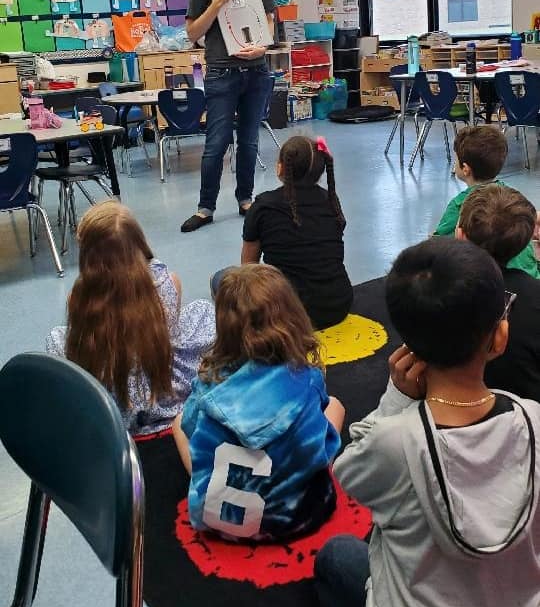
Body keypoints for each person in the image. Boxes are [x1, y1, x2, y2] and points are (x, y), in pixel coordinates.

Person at [315, 238, 540, 607]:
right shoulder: (533, 420)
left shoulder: (395, 443)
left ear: (407, 345)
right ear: (499, 337)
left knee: (336, 556)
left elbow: (349, 473)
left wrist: (398, 399)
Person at [172, 264, 345, 542]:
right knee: (334, 405)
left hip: (224, 521)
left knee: (180, 421)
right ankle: (303, 475)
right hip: (302, 515)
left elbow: (192, 428)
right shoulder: (308, 378)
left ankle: (214, 484)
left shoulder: (208, 386)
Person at [46, 200, 215, 437]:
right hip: (160, 382)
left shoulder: (78, 296)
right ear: (138, 241)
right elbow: (169, 332)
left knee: (56, 336)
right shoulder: (167, 281)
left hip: (110, 392)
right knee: (203, 310)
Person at [181, 0, 275, 232]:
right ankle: (205, 207)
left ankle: (245, 199)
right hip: (222, 72)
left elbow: (270, 19)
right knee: (217, 143)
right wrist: (216, 3)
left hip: (256, 71)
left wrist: (263, 48)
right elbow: (193, 31)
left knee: (248, 140)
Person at [241, 135, 353, 330]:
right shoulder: (331, 201)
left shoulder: (263, 206)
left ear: (280, 168)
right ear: (319, 171)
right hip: (338, 304)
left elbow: (248, 269)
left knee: (220, 279)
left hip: (288, 314)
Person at [457, 183, 540, 403]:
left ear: (460, 235)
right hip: (527, 410)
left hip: (451, 408)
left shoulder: (433, 289)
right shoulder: (534, 294)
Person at [433, 124, 539, 279]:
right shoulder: (513, 197)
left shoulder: (459, 205)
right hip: (529, 277)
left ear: (465, 168)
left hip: (489, 279)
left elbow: (437, 244)